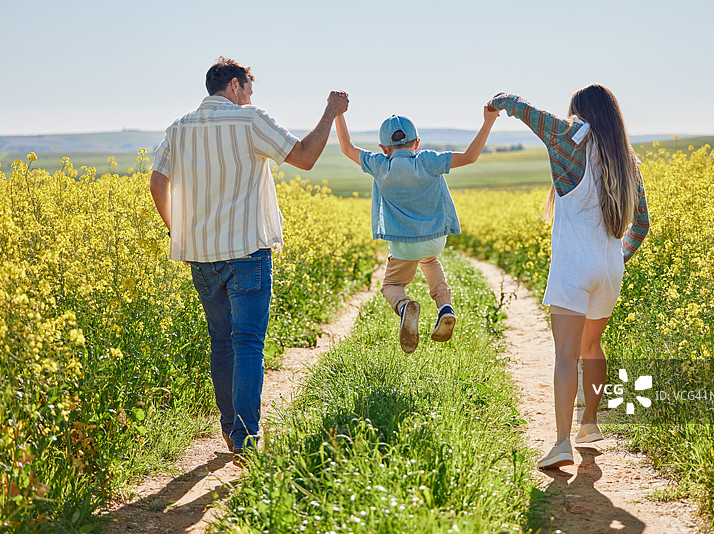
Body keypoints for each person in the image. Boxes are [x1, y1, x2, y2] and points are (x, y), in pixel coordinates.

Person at [149, 57, 348, 466]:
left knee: (221, 341)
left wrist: (177, 230)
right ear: (236, 86)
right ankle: (245, 436)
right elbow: (306, 157)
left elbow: (157, 182)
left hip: (200, 255)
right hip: (247, 253)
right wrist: (330, 112)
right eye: (250, 91)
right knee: (248, 343)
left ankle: (229, 427)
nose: (251, 98)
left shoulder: (178, 127)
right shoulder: (249, 120)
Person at [487, 85, 649, 469]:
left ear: (581, 112)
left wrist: (497, 103)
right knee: (592, 347)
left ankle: (562, 442)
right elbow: (640, 224)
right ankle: (590, 426)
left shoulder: (566, 136)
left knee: (565, 354)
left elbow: (523, 109)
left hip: (573, 267)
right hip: (610, 270)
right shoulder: (627, 160)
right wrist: (618, 257)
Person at [335, 105, 499, 353]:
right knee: (430, 260)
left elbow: (347, 148)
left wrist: (339, 113)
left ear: (383, 148)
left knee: (391, 286)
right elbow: (470, 156)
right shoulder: (428, 161)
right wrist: (488, 121)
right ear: (417, 142)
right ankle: (445, 307)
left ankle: (404, 307)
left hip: (402, 245)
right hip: (434, 239)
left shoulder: (379, 164)